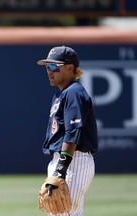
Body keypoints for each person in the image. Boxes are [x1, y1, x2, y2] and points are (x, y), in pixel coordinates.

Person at [37, 46, 98, 215]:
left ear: (70, 68)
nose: (49, 71)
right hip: (65, 161)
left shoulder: (73, 93)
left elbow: (73, 133)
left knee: (63, 212)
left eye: (54, 66)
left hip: (73, 161)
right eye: (47, 67)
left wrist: (60, 169)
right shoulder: (62, 94)